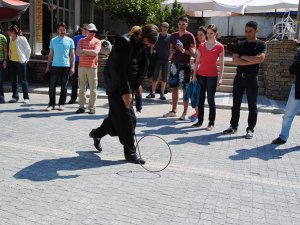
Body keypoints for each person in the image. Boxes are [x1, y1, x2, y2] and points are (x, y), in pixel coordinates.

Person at [89, 24, 159, 164]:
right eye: (149, 42)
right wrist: (126, 92)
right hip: (116, 85)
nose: (150, 45)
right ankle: (130, 153)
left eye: (152, 44)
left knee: (116, 118)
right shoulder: (124, 42)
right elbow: (119, 70)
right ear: (141, 36)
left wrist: (137, 85)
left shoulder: (143, 46)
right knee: (129, 120)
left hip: (128, 86)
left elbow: (139, 67)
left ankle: (96, 134)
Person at [223, 21, 266, 139]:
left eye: (250, 31)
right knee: (235, 104)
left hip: (252, 78)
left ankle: (250, 129)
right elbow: (235, 61)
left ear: (257, 30)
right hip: (239, 78)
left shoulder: (261, 44)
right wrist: (251, 59)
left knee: (253, 106)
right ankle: (233, 126)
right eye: (246, 31)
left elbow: (260, 59)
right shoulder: (240, 44)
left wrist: (244, 57)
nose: (247, 33)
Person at [192, 24, 224, 131]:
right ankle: (200, 121)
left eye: (211, 33)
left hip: (212, 76)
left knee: (211, 100)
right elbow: (197, 62)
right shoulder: (201, 45)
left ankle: (211, 123)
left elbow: (222, 64)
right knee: (200, 100)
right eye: (208, 33)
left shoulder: (220, 46)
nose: (209, 35)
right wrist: (194, 76)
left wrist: (220, 77)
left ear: (216, 34)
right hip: (201, 76)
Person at [163, 16, 196, 120]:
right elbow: (171, 49)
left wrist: (183, 50)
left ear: (187, 24)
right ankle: (174, 110)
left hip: (185, 65)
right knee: (174, 88)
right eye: (180, 24)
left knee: (185, 88)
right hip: (174, 64)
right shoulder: (173, 35)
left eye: (183, 24)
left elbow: (192, 53)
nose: (181, 26)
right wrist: (172, 52)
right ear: (177, 24)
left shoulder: (190, 36)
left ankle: (185, 112)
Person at [272, 46, 300, 144]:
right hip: (297, 88)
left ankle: (283, 137)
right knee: (288, 115)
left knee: (288, 115)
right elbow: (292, 69)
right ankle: (283, 137)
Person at [45, 22, 75, 111]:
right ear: (57, 30)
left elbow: (72, 55)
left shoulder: (70, 41)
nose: (63, 31)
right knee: (52, 86)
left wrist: (72, 67)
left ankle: (61, 104)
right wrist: (47, 66)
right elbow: (50, 55)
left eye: (64, 30)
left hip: (65, 67)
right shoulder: (53, 40)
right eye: (61, 30)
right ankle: (51, 104)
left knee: (64, 87)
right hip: (54, 66)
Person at [75, 23, 101, 114]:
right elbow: (78, 53)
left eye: (94, 31)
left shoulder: (97, 41)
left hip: (92, 67)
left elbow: (96, 52)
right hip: (82, 67)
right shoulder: (81, 40)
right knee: (81, 88)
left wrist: (84, 51)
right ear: (87, 31)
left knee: (93, 89)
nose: (93, 33)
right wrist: (89, 52)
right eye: (91, 31)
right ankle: (81, 107)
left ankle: (92, 107)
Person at [146, 22, 170, 100]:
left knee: (164, 77)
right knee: (154, 76)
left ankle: (162, 94)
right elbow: (152, 47)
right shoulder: (157, 36)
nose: (165, 28)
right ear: (161, 27)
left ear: (168, 28)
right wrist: (151, 56)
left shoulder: (170, 37)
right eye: (164, 26)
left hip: (166, 60)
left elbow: (172, 47)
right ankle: (152, 93)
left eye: (166, 27)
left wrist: (170, 56)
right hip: (156, 59)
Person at [8, 25, 31, 104]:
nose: (8, 33)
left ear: (13, 32)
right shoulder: (11, 39)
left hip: (21, 62)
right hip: (12, 61)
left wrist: (26, 59)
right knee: (14, 80)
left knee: (23, 80)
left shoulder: (22, 38)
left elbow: (28, 49)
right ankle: (15, 96)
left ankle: (26, 97)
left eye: (9, 31)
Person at [68, 23, 88, 104]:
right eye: (85, 29)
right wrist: (71, 62)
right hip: (77, 61)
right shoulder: (76, 38)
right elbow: (72, 51)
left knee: (85, 81)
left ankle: (82, 97)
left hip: (86, 62)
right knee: (75, 81)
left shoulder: (90, 38)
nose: (87, 30)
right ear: (82, 29)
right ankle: (73, 98)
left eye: (88, 29)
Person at [190, 26, 207, 122]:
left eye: (201, 35)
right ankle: (197, 112)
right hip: (196, 72)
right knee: (196, 94)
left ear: (206, 35)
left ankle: (198, 114)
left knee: (197, 94)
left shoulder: (205, 45)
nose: (199, 36)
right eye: (198, 35)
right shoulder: (201, 45)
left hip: (200, 73)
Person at [0, 24, 7, 103]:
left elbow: (5, 50)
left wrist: (5, 60)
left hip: (0, 60)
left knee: (0, 79)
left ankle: (1, 97)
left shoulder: (2, 37)